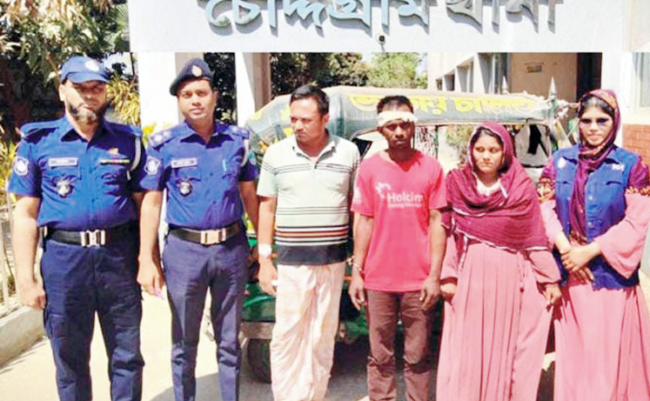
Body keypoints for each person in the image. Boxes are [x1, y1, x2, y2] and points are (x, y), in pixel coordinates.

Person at [9, 55, 146, 401]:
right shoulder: (38, 142)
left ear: (105, 92)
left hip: (118, 258)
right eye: (80, 87)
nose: (89, 95)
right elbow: (25, 214)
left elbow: (145, 204)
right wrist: (25, 278)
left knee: (127, 356)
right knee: (69, 359)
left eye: (96, 87)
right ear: (62, 91)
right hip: (65, 262)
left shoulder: (128, 141)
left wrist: (148, 258)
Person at [137, 58, 259, 401]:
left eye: (201, 93)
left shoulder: (237, 141)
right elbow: (151, 204)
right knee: (184, 341)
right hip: (184, 252)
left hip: (231, 249)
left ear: (214, 96)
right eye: (187, 94)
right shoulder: (164, 145)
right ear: (179, 101)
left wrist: (263, 247)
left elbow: (250, 195)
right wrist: (146, 258)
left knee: (229, 340)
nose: (195, 100)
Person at [436, 122, 562, 401]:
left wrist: (550, 279)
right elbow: (450, 233)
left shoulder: (520, 188)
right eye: (480, 149)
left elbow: (533, 236)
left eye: (493, 150)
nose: (486, 156)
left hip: (507, 279)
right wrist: (448, 275)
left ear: (505, 152)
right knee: (467, 349)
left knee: (502, 346)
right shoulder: (457, 183)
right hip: (470, 278)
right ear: (471, 150)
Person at [538, 89, 650, 401]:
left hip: (609, 280)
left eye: (602, 120)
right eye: (586, 120)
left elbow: (636, 223)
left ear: (615, 122)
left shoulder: (632, 166)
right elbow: (544, 210)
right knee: (575, 360)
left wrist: (588, 251)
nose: (593, 127)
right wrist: (567, 251)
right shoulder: (558, 162)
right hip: (572, 279)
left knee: (606, 363)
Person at [256, 84, 360, 401]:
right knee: (287, 335)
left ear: (325, 118)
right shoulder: (276, 154)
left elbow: (356, 207)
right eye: (293, 119)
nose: (298, 126)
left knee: (322, 336)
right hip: (291, 262)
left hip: (333, 261)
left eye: (306, 119)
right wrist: (264, 260)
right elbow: (266, 207)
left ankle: (315, 395)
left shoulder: (348, 153)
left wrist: (357, 260)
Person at [348, 95, 446, 401]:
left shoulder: (431, 168)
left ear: (413, 126)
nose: (400, 131)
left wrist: (434, 276)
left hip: (419, 280)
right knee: (380, 355)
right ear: (381, 130)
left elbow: (437, 221)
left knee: (418, 356)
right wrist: (358, 273)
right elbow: (364, 220)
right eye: (392, 126)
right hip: (378, 279)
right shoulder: (369, 169)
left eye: (405, 124)